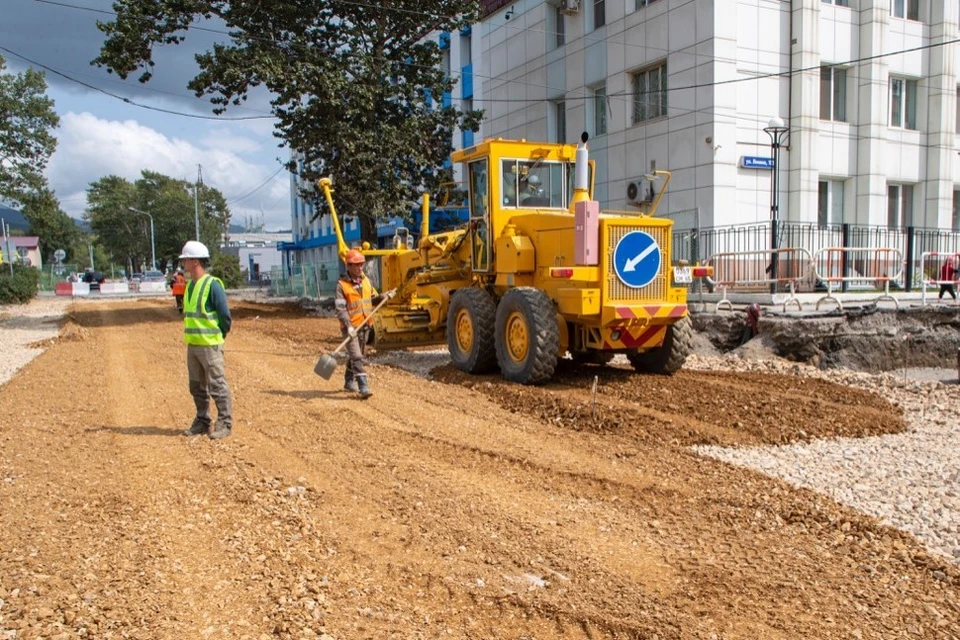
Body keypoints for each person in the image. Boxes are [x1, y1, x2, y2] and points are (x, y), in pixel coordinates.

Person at [179, 240, 233, 439]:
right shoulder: (190, 285)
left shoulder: (212, 285)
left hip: (210, 345)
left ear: (195, 262)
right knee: (196, 386)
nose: (183, 263)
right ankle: (202, 421)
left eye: (186, 260)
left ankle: (225, 423)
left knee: (217, 385)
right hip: (193, 345)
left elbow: (225, 316)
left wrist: (220, 335)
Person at [334, 249, 394, 398]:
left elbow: (372, 300)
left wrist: (384, 296)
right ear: (348, 266)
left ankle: (348, 381)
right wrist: (348, 327)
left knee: (356, 355)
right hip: (350, 327)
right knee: (357, 357)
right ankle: (363, 387)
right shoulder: (342, 286)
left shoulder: (366, 281)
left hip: (365, 325)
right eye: (356, 265)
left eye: (361, 265)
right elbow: (340, 310)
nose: (359, 268)